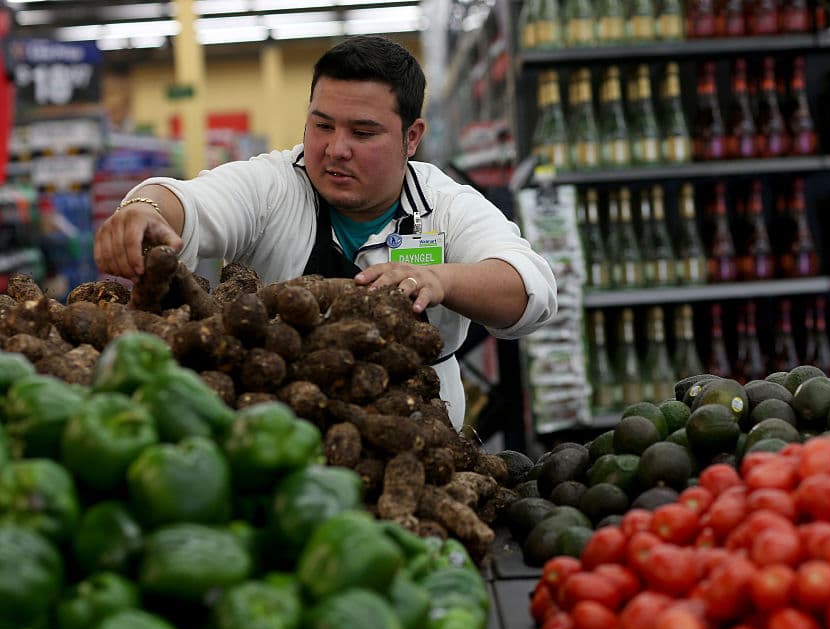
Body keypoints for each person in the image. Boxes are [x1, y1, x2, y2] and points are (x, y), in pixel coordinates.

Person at [93, 35, 558, 431]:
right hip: (280, 437)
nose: (336, 149)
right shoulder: (275, 186)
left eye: (362, 132)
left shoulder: (446, 204)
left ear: (411, 137)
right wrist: (144, 208)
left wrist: (443, 280)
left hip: (419, 443)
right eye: (322, 125)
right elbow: (194, 201)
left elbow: (529, 289)